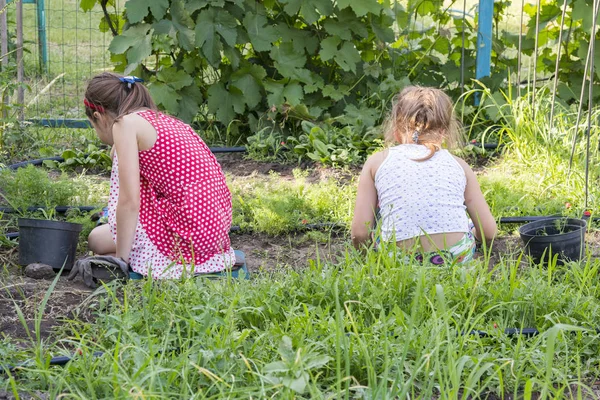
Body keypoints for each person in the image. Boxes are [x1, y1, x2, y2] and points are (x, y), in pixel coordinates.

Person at [84, 72, 236, 279]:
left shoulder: (124, 124)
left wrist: (120, 262)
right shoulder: (163, 121)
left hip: (186, 235)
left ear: (98, 117)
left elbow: (129, 201)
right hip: (211, 233)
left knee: (95, 240)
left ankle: (135, 257)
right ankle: (141, 254)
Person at [351, 86, 497, 265]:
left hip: (396, 258)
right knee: (467, 223)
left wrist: (366, 259)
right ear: (444, 131)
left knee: (381, 225)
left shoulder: (377, 162)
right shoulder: (460, 165)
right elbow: (489, 231)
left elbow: (359, 233)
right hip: (454, 256)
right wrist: (476, 238)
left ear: (396, 126)